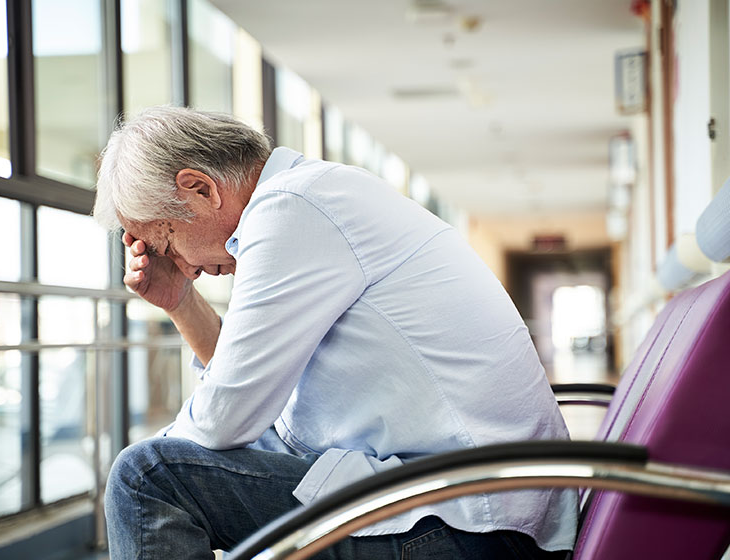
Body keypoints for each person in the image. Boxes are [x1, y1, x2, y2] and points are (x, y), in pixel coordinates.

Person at [95, 106, 578, 559]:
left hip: (475, 524)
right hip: (478, 504)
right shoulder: (315, 195)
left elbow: (227, 418)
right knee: (160, 471)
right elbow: (249, 404)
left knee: (145, 479)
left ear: (200, 188)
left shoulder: (292, 208)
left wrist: (159, 453)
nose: (184, 266)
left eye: (167, 241)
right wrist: (181, 303)